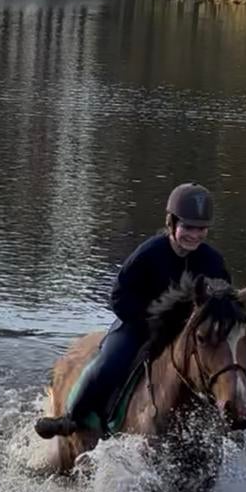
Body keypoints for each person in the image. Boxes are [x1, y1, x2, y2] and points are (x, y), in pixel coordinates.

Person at [35, 182, 231, 439]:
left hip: (192, 336)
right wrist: (150, 322)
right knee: (109, 363)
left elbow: (223, 302)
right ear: (171, 223)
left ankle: (233, 421)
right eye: (188, 227)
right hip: (139, 327)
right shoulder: (149, 253)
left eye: (201, 228)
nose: (194, 235)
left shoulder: (213, 261)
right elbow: (119, 296)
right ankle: (71, 418)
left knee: (228, 366)